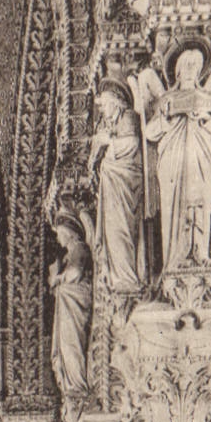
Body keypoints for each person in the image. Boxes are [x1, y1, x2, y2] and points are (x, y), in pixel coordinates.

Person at [144, 48, 211, 268]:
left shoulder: (205, 98)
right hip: (174, 162)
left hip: (199, 159)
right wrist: (165, 120)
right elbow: (149, 132)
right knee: (175, 206)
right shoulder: (167, 99)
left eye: (194, 65)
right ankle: (176, 255)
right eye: (186, 64)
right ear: (178, 71)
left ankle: (199, 251)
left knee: (198, 202)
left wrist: (205, 116)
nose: (191, 69)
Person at [89, 81, 144, 292]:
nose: (101, 110)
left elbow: (133, 144)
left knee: (120, 229)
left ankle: (126, 277)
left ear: (115, 102)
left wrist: (108, 143)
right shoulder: (111, 123)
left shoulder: (127, 117)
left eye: (103, 105)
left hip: (125, 183)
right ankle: (119, 277)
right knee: (114, 230)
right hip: (114, 186)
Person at [49, 213, 93, 400]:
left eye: (60, 233)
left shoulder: (79, 248)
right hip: (68, 308)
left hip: (74, 306)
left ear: (68, 233)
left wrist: (57, 278)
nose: (58, 238)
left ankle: (76, 383)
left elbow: (75, 272)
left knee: (71, 344)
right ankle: (72, 384)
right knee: (66, 345)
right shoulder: (70, 254)